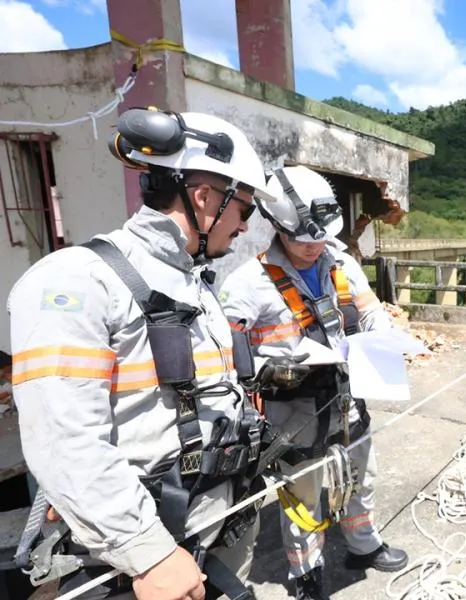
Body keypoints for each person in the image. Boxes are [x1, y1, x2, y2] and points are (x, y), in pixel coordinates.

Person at [6, 107, 300, 600]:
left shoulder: (195, 283)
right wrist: (149, 553)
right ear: (205, 197)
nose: (246, 227)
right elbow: (65, 440)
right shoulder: (78, 280)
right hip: (140, 561)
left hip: (216, 526)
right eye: (244, 209)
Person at [220, 165, 408, 600]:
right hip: (293, 407)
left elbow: (369, 310)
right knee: (303, 495)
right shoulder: (247, 283)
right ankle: (306, 571)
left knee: (362, 475)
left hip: (347, 395)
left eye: (321, 236)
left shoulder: (341, 264)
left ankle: (364, 544)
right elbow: (226, 351)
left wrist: (384, 335)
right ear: (279, 228)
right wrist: (270, 365)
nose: (314, 246)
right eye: (305, 239)